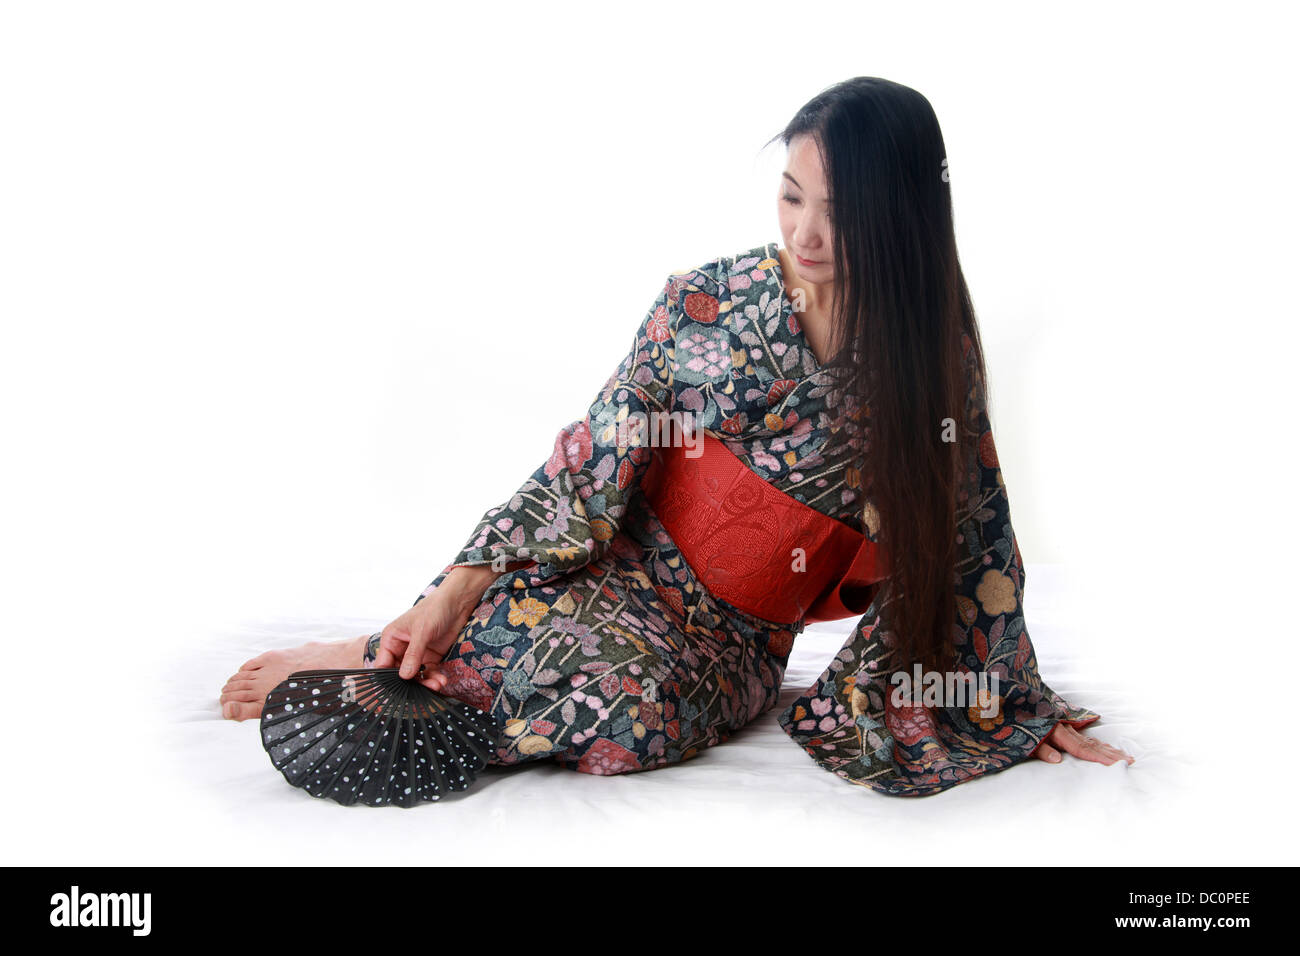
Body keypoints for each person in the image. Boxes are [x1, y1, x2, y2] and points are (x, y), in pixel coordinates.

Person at [221, 76, 1134, 796]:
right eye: (790, 197)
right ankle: (382, 650)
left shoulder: (931, 344)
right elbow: (585, 466)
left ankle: (432, 672)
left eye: (840, 210)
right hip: (618, 564)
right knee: (528, 626)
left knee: (638, 714)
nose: (806, 234)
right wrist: (451, 594)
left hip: (733, 636)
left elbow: (970, 522)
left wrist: (994, 694)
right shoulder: (704, 302)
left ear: (898, 215)